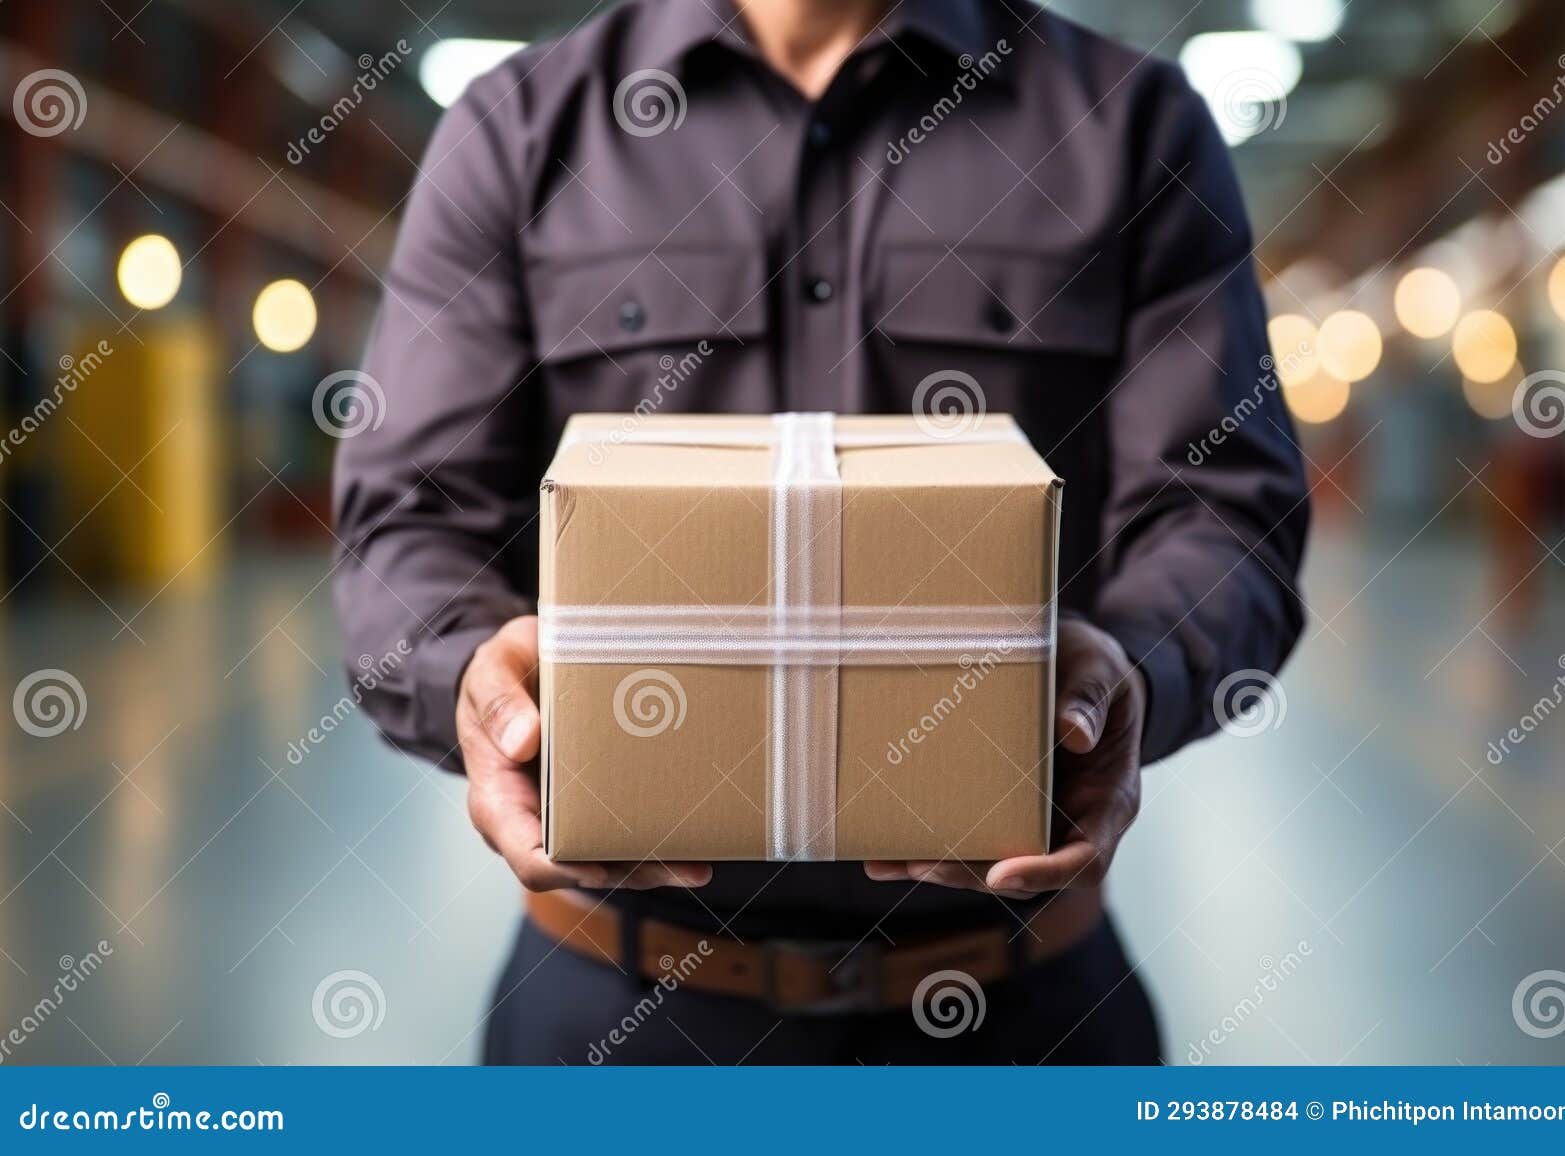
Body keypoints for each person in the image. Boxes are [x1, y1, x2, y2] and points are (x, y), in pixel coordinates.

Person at [334, 0, 1308, 1064]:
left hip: (1025, 1021)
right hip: (614, 1025)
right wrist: (472, 680)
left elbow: (1223, 509)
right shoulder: (520, 127)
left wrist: (1131, 673)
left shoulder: (1131, 124)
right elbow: (410, 514)